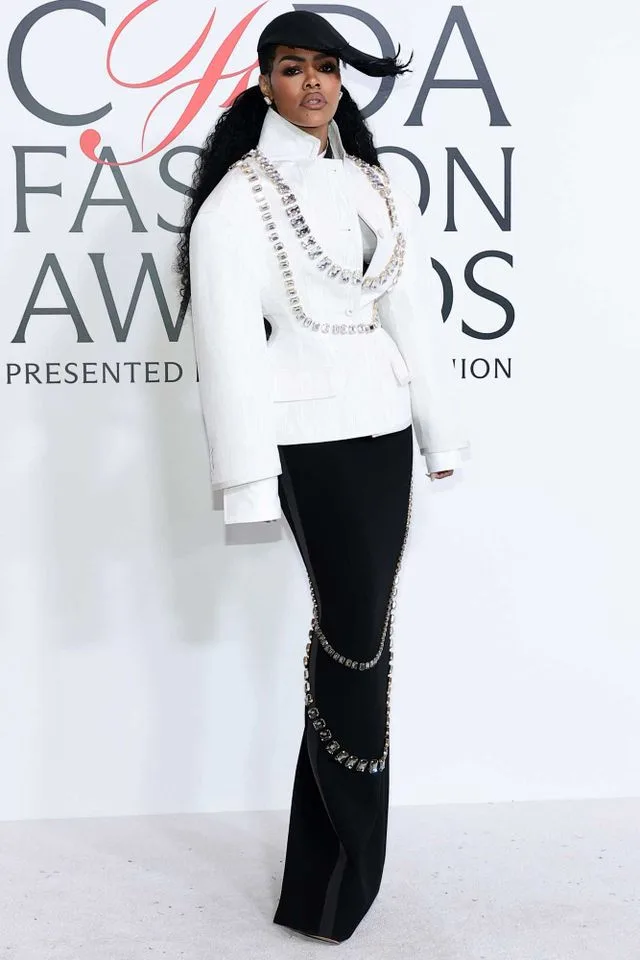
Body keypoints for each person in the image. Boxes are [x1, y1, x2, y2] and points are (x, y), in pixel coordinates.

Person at [177, 9, 470, 945]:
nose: (314, 83)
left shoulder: (373, 184)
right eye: (294, 67)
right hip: (306, 439)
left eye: (328, 68)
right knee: (352, 642)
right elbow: (227, 354)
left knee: (363, 638)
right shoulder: (234, 203)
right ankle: (345, 871)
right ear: (264, 82)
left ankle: (321, 883)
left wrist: (440, 436)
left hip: (385, 430)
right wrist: (248, 487)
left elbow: (412, 318)